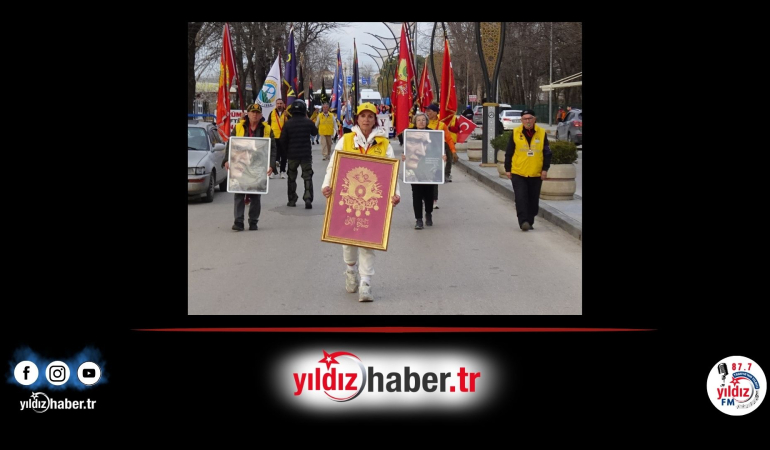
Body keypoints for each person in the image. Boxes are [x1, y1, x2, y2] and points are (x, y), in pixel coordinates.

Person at [321, 102, 401, 302]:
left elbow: (392, 173)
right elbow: (333, 165)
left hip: (372, 202)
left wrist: (395, 194)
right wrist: (326, 185)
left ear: (375, 120)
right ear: (357, 119)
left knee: (368, 242)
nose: (366, 119)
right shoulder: (346, 140)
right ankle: (350, 271)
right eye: (363, 116)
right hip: (347, 200)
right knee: (347, 240)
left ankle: (366, 283)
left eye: (370, 116)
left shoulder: (384, 144)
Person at [225, 103, 274, 231]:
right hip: (241, 164)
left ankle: (253, 221)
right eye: (252, 112)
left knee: (255, 194)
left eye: (257, 113)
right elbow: (230, 144)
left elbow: (273, 148)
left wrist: (272, 165)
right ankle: (238, 222)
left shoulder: (267, 129)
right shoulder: (239, 127)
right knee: (239, 193)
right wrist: (226, 160)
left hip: (258, 165)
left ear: (261, 115)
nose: (255, 115)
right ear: (248, 113)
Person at [504, 109, 552, 231]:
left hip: (536, 172)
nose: (527, 121)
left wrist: (545, 169)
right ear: (521, 120)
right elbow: (509, 152)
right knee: (521, 198)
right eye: (525, 119)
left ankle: (530, 220)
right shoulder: (515, 132)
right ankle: (523, 221)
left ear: (534, 119)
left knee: (533, 200)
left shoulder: (542, 133)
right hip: (518, 172)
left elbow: (547, 153)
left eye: (530, 118)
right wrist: (508, 169)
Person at [401, 112, 446, 229]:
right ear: (415, 122)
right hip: (415, 171)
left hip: (429, 169)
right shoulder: (409, 133)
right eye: (418, 120)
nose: (421, 122)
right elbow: (406, 150)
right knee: (416, 195)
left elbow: (439, 150)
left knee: (429, 194)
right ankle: (419, 220)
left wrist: (443, 157)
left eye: (423, 120)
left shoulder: (433, 134)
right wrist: (404, 156)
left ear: (427, 121)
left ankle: (428, 214)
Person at [280, 100, 318, 209]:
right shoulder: (308, 122)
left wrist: (287, 151)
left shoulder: (288, 123)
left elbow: (283, 140)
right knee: (307, 176)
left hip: (292, 154)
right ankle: (308, 198)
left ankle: (292, 199)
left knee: (291, 177)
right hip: (306, 154)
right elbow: (315, 132)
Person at [424, 103, 458, 209]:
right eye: (426, 111)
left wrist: (453, 151)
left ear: (435, 112)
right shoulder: (423, 123)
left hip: (436, 155)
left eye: (429, 111)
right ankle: (424, 197)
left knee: (435, 177)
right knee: (424, 176)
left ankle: (434, 200)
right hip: (424, 154)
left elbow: (449, 139)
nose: (427, 113)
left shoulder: (442, 125)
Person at [267, 98, 289, 179]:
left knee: (284, 155)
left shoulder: (286, 113)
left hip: (284, 137)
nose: (279, 105)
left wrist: (288, 116)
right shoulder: (272, 113)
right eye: (278, 103)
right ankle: (272, 171)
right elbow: (269, 124)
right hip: (274, 137)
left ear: (283, 105)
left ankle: (282, 171)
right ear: (276, 105)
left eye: (281, 103)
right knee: (274, 155)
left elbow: (290, 124)